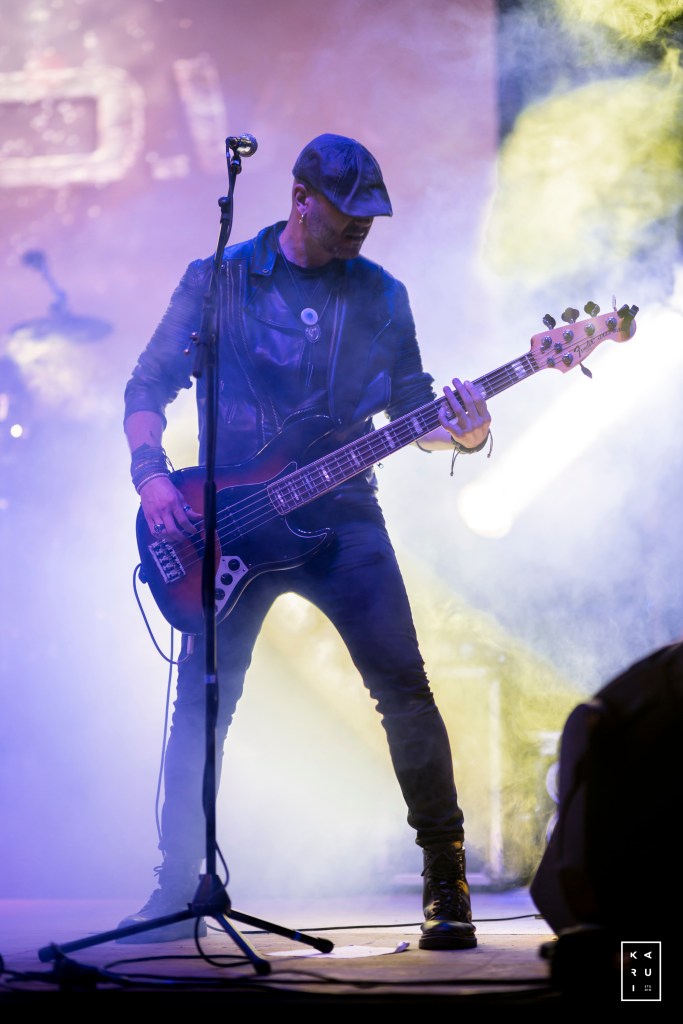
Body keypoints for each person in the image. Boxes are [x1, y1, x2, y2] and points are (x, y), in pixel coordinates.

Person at [118, 133, 492, 950]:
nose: (359, 227)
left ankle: (446, 879)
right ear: (299, 197)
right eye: (345, 212)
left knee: (404, 690)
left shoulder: (382, 295)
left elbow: (414, 413)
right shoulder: (217, 279)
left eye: (369, 216)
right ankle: (176, 882)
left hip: (342, 517)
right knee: (203, 703)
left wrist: (463, 433)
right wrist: (152, 478)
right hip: (228, 525)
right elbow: (146, 385)